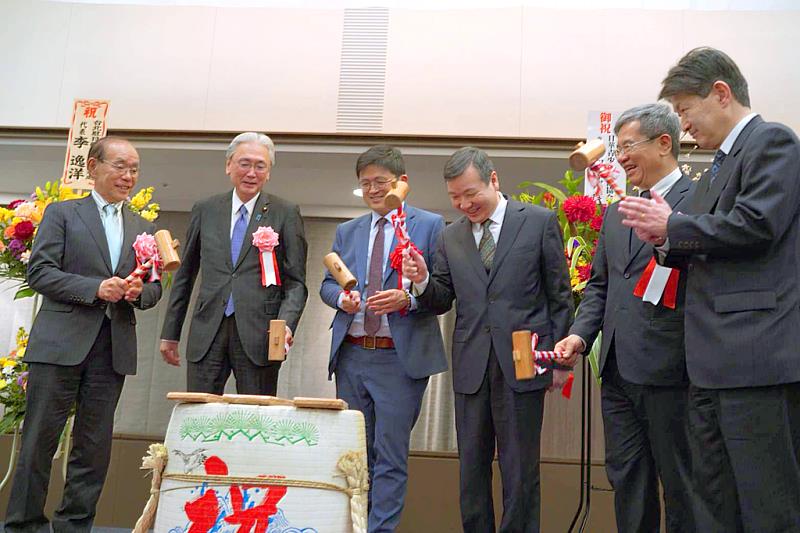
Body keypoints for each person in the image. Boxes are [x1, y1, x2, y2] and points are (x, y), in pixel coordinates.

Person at [619, 47, 800, 532]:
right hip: (707, 364)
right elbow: (697, 237)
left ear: (720, 93)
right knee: (714, 501)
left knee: (766, 501)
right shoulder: (715, 167)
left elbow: (756, 224)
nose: (684, 126)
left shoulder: (772, 142)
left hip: (753, 357)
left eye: (685, 110)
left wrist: (673, 225)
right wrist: (661, 237)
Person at [402, 147, 573, 533]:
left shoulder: (539, 222)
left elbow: (559, 296)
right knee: (471, 470)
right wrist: (423, 279)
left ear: (493, 180)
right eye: (455, 197)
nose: (464, 204)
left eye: (471, 193)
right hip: (471, 366)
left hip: (524, 362)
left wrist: (561, 362)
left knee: (520, 469)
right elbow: (441, 298)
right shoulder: (450, 236)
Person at [3, 137, 163, 533]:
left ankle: (75, 525)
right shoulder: (62, 214)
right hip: (59, 346)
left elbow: (157, 287)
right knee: (40, 440)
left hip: (112, 349)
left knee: (93, 448)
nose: (128, 176)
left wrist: (141, 292)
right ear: (92, 167)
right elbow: (40, 272)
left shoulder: (144, 229)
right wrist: (95, 288)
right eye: (120, 166)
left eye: (134, 169)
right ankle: (23, 525)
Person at [555, 103, 696, 532]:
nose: (621, 158)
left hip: (673, 370)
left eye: (629, 146)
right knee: (627, 478)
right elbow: (600, 286)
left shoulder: (699, 202)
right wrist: (580, 336)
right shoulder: (617, 214)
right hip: (616, 372)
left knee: (680, 481)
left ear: (664, 143)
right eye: (618, 148)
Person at [320, 145, 448, 532]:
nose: (374, 190)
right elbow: (327, 284)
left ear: (401, 183)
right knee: (355, 457)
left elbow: (442, 291)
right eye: (365, 184)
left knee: (390, 456)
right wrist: (343, 298)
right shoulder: (349, 230)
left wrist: (408, 298)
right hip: (352, 356)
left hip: (399, 361)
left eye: (381, 182)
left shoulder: (430, 225)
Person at [160, 132, 308, 395]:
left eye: (260, 165)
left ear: (269, 172)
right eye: (244, 163)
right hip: (208, 329)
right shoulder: (206, 209)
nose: (252, 172)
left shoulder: (285, 212)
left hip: (260, 334)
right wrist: (170, 332)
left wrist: (285, 325)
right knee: (199, 415)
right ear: (229, 165)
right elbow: (186, 274)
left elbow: (295, 283)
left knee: (255, 418)